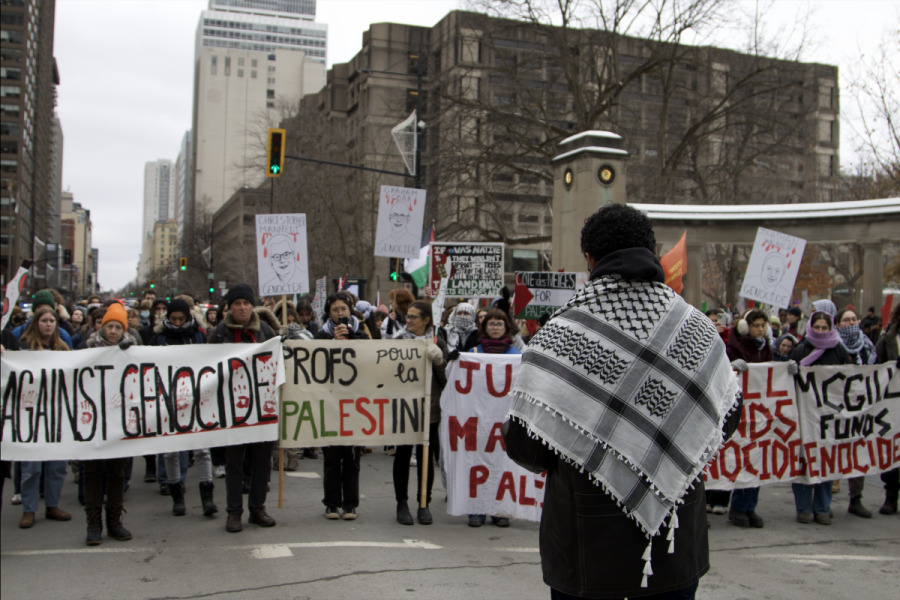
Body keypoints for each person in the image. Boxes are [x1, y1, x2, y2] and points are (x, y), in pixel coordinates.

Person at [503, 204, 741, 600]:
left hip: (585, 549)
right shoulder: (698, 328)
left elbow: (524, 444)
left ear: (591, 258)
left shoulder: (559, 334)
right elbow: (726, 421)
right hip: (673, 544)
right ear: (651, 249)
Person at [207, 283, 278, 533]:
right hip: (232, 409)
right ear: (229, 307)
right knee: (234, 463)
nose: (242, 307)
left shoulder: (266, 332)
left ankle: (257, 508)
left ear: (252, 306)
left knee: (262, 461)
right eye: (237, 303)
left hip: (262, 407)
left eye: (246, 303)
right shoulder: (218, 334)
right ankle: (234, 511)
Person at [150, 298, 218, 517]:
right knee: (171, 451)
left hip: (196, 398)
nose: (178, 323)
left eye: (181, 318)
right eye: (173, 319)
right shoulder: (159, 338)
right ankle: (177, 495)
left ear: (188, 317)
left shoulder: (198, 335)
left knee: (201, 449)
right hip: (168, 400)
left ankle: (207, 497)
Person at [789, 311, 850, 525]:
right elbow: (789, 383)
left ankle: (823, 507)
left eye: (825, 328)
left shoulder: (840, 351)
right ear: (811, 327)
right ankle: (804, 508)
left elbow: (850, 380)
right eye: (818, 328)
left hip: (829, 417)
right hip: (805, 416)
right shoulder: (800, 350)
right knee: (804, 461)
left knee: (826, 462)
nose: (821, 331)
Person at [82, 302, 136, 545]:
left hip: (119, 419)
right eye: (109, 326)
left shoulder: (133, 350)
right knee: (92, 471)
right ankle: (94, 523)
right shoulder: (86, 349)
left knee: (117, 472)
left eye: (117, 327)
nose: (113, 331)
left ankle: (115, 521)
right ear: (102, 327)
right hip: (92, 420)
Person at [15, 306, 73, 529]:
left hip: (57, 414)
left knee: (57, 465)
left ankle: (52, 505)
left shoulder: (64, 349)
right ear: (36, 323)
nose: (48, 324)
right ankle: (29, 509)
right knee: (32, 467)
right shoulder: (23, 349)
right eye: (44, 321)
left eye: (52, 321)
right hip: (31, 415)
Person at [391, 300, 448, 526]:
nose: (409, 320)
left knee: (426, 457)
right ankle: (401, 503)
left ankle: (423, 503)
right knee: (403, 456)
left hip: (429, 409)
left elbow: (446, 382)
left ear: (426, 320)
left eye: (414, 317)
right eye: (408, 316)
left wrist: (439, 362)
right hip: (403, 407)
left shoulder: (438, 342)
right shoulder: (398, 341)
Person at [315, 292, 370, 520]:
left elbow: (368, 360)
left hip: (355, 403)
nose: (340, 314)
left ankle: (350, 504)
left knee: (351, 456)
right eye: (335, 310)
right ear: (329, 313)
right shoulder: (319, 337)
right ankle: (331, 503)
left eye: (343, 310)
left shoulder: (361, 335)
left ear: (350, 311)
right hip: (330, 402)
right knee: (331, 456)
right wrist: (332, 344)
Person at [725, 309, 777, 528]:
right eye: (756, 325)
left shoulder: (767, 350)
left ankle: (750, 507)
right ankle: (738, 508)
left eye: (763, 326)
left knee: (757, 458)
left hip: (760, 414)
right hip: (741, 413)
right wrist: (731, 366)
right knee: (742, 458)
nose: (760, 329)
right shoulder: (734, 348)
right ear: (747, 327)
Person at [874, 301, 899, 515]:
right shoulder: (888, 339)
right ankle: (891, 497)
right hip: (892, 405)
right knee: (893, 451)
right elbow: (874, 371)